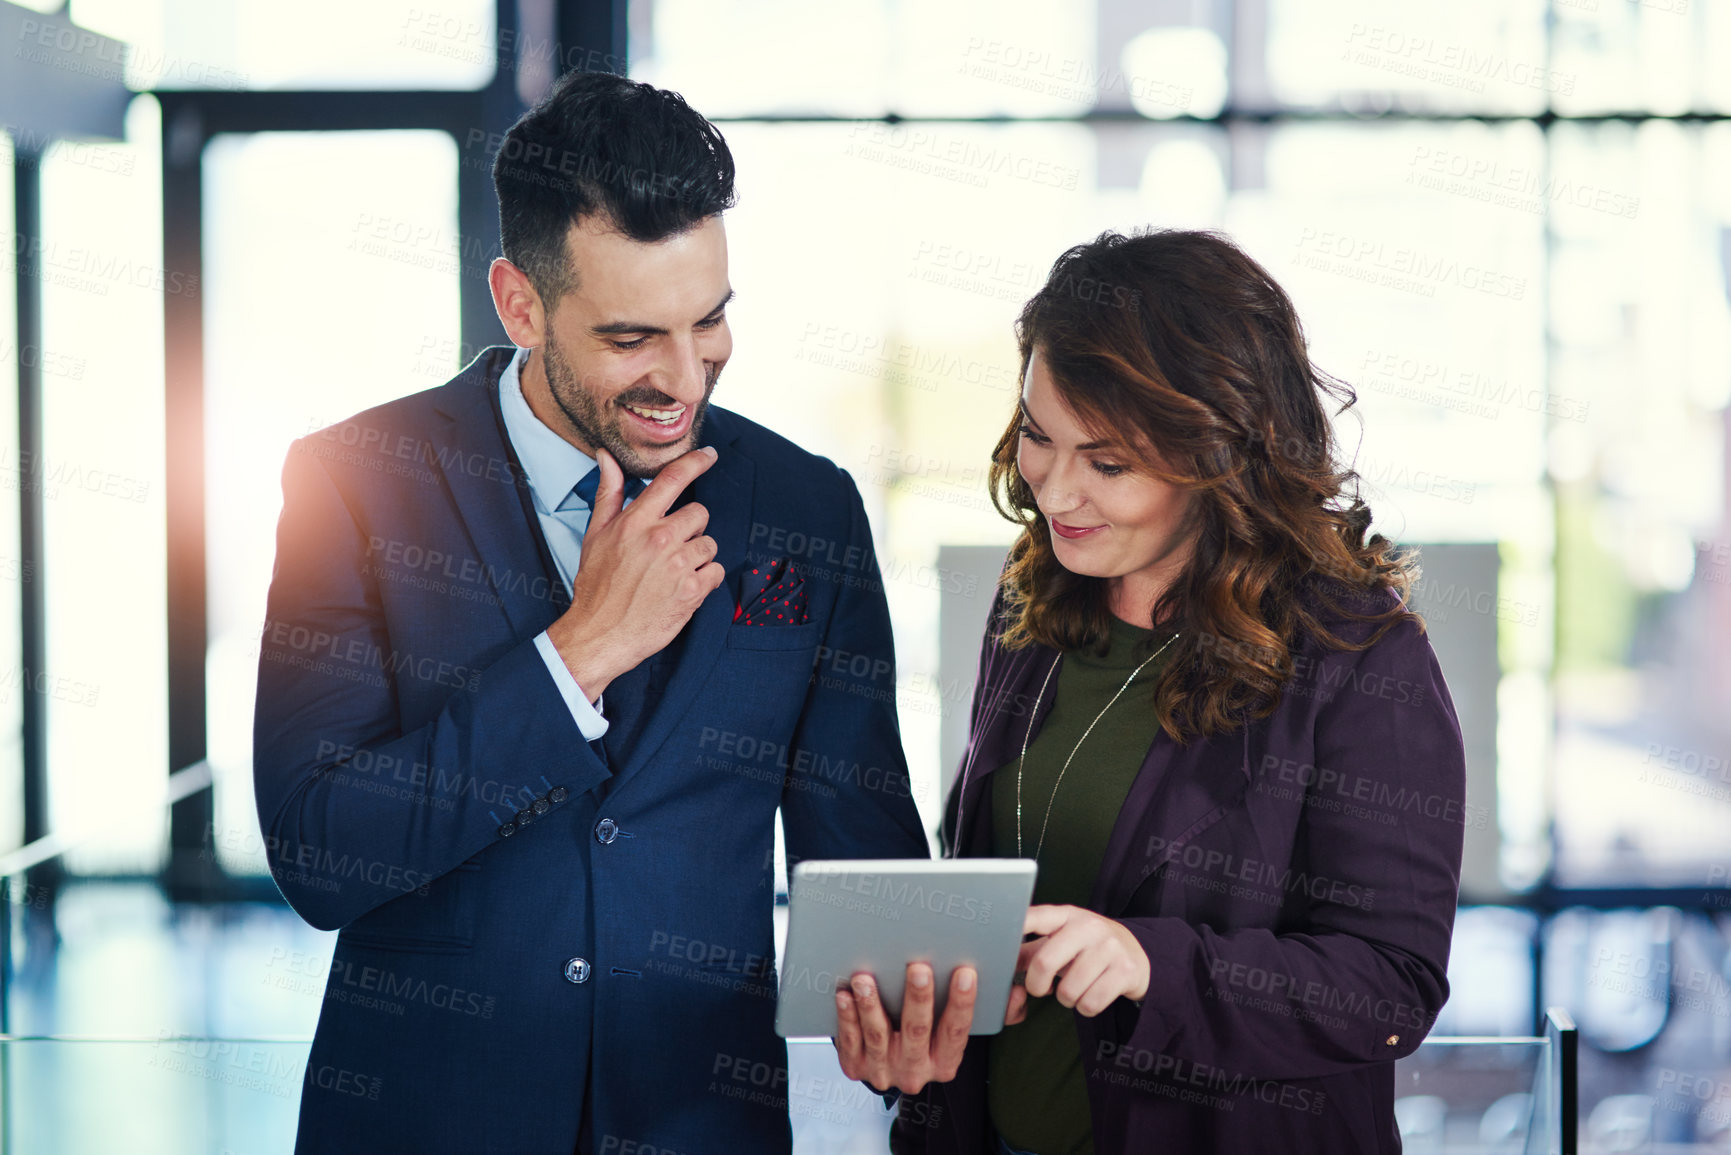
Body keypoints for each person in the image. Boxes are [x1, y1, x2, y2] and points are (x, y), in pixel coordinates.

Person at [252, 70, 927, 1154]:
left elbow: (864, 857)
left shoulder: (809, 507)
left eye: (708, 321)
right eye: (629, 339)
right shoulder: (354, 482)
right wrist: (576, 658)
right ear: (521, 303)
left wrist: (909, 1043)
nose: (683, 376)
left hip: (703, 1124)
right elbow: (319, 853)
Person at [835, 229, 1467, 1154]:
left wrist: (1148, 962)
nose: (1054, 491)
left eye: (1109, 464)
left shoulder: (1357, 653)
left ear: (1220, 457)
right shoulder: (1034, 606)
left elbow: (1389, 986)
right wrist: (922, 1008)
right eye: (1039, 438)